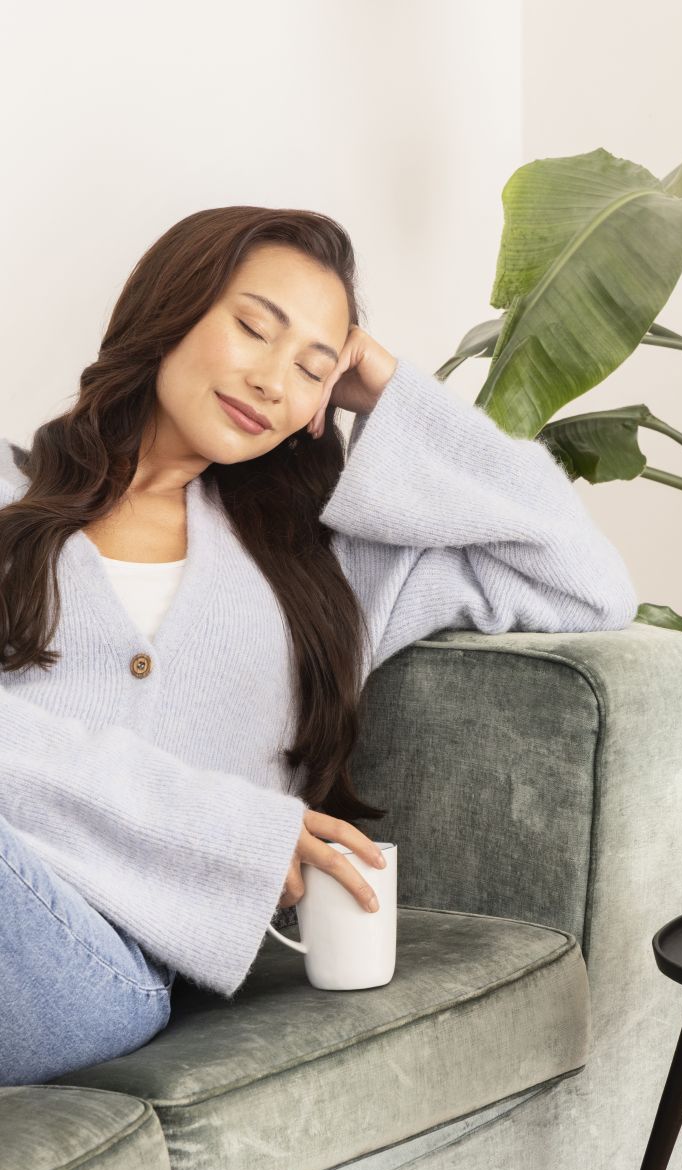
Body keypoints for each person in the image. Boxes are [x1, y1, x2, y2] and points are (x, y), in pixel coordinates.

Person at [0, 206, 638, 1084]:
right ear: (170, 310)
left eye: (312, 368)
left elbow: (585, 578)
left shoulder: (330, 569)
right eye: (254, 328)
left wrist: (393, 391)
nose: (273, 382)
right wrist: (230, 829)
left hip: (100, 971)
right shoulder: (12, 503)